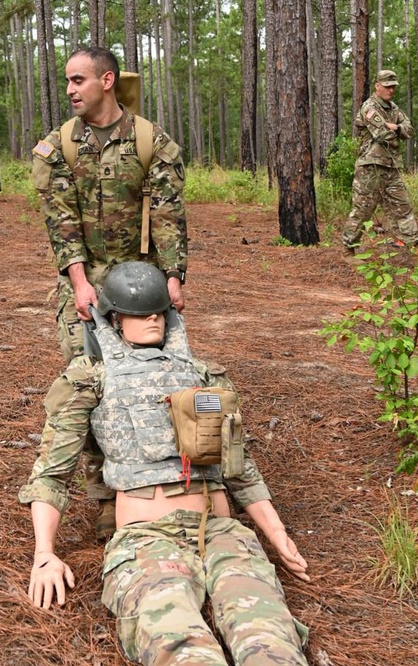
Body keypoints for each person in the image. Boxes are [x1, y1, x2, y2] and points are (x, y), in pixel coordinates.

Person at [19, 262, 310, 666]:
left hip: (222, 532)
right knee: (181, 649)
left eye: (157, 310)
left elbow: (240, 467)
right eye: (139, 312)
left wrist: (276, 533)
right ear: (116, 319)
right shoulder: (92, 378)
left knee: (271, 642)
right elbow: (52, 471)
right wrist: (44, 553)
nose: (152, 317)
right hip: (148, 539)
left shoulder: (203, 376)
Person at [31, 46, 189, 538]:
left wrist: (173, 278)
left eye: (79, 80)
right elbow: (62, 223)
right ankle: (105, 495)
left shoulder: (150, 141)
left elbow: (168, 214)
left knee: (150, 386)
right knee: (95, 386)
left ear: (107, 80)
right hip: (87, 284)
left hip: (142, 286)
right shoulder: (59, 147)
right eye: (67, 82)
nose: (70, 90)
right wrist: (79, 284)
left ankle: (155, 484)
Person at [341, 69, 418, 255]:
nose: (391, 90)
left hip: (391, 166)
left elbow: (409, 130)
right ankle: (348, 250)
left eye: (393, 86)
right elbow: (383, 135)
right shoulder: (369, 107)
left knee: (402, 207)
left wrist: (395, 127)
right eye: (387, 86)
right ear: (377, 86)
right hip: (371, 167)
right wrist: (396, 130)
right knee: (363, 209)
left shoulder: (394, 109)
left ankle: (413, 248)